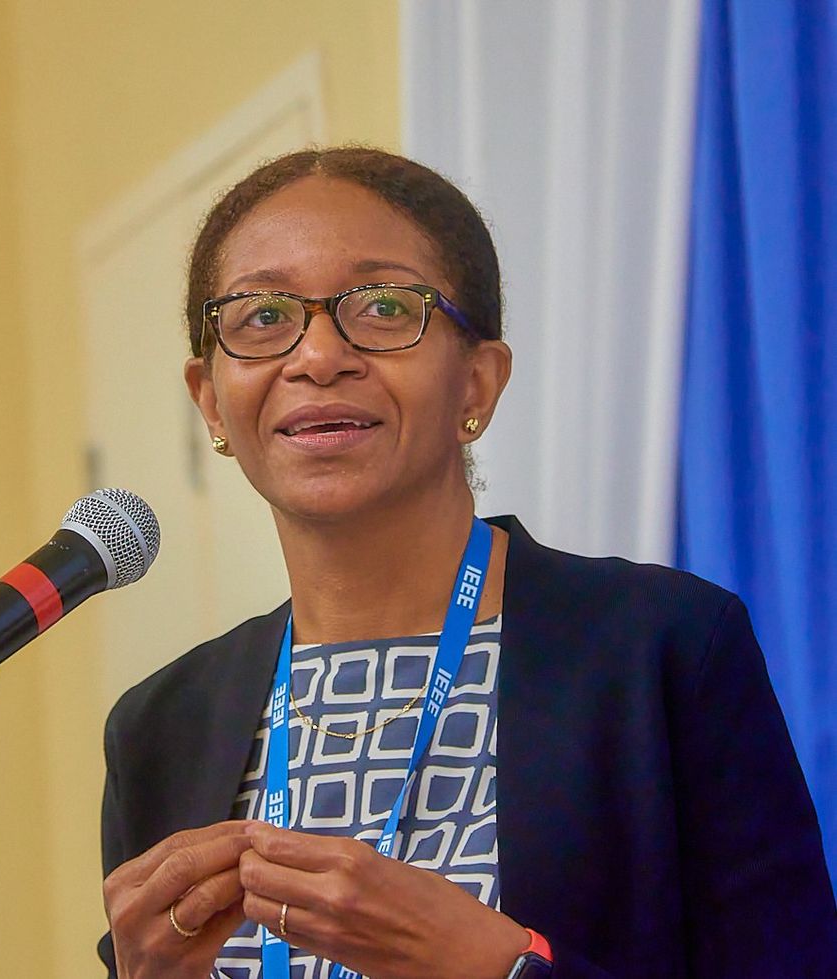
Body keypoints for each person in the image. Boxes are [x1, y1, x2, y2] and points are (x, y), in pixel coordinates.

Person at [97, 147, 836, 979]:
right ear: (211, 399)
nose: (316, 356)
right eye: (262, 317)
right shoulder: (159, 727)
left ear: (478, 383)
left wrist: (503, 968)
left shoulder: (663, 648)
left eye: (381, 306)